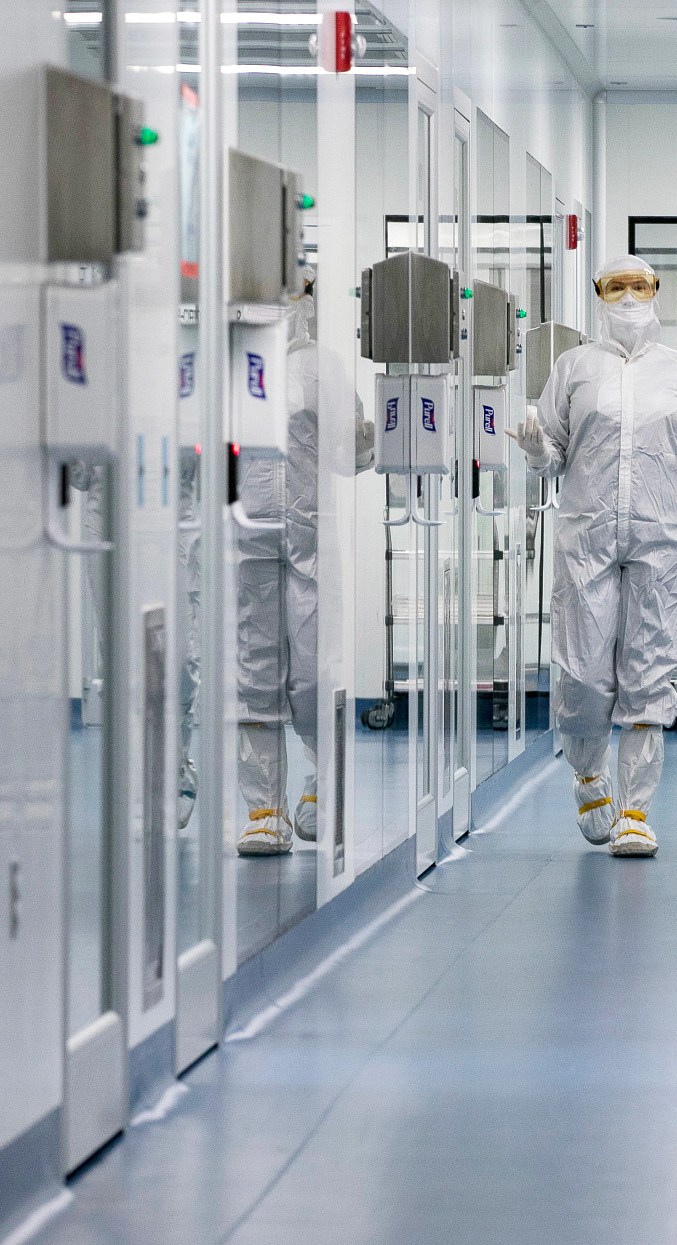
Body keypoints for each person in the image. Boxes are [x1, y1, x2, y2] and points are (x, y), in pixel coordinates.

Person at [515, 255, 677, 857]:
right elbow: (554, 448)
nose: (629, 297)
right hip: (587, 537)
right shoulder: (574, 366)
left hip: (660, 539)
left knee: (650, 671)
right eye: (616, 287)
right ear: (598, 294)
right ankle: (587, 774)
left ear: (656, 290)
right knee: (583, 674)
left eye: (639, 286)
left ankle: (635, 810)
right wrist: (535, 452)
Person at [236, 274, 373, 855]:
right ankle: (264, 808)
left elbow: (349, 455)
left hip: (311, 539)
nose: (288, 296)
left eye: (300, 285)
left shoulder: (322, 366)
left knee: (314, 672)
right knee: (253, 673)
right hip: (243, 537)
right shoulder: (229, 358)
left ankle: (324, 777)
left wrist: (369, 439)